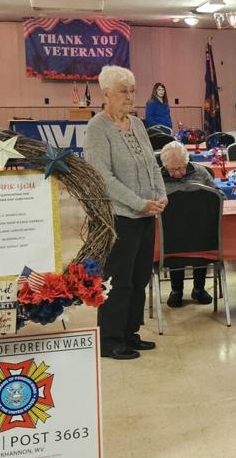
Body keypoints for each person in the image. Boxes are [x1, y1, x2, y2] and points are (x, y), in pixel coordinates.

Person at [84, 65, 170, 361]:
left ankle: (130, 331)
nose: (130, 96)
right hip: (121, 217)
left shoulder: (136, 124)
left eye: (133, 90)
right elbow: (102, 177)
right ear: (105, 93)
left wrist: (160, 195)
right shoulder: (97, 128)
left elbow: (152, 163)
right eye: (124, 91)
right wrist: (137, 202)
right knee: (118, 280)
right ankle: (110, 339)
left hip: (147, 215)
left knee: (140, 276)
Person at [157, 141, 220, 307]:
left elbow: (219, 197)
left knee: (203, 239)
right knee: (176, 244)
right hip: (172, 231)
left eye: (181, 168)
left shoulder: (200, 172)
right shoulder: (156, 178)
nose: (177, 173)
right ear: (164, 165)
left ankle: (199, 289)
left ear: (187, 162)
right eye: (172, 169)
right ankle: (176, 290)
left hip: (200, 229)